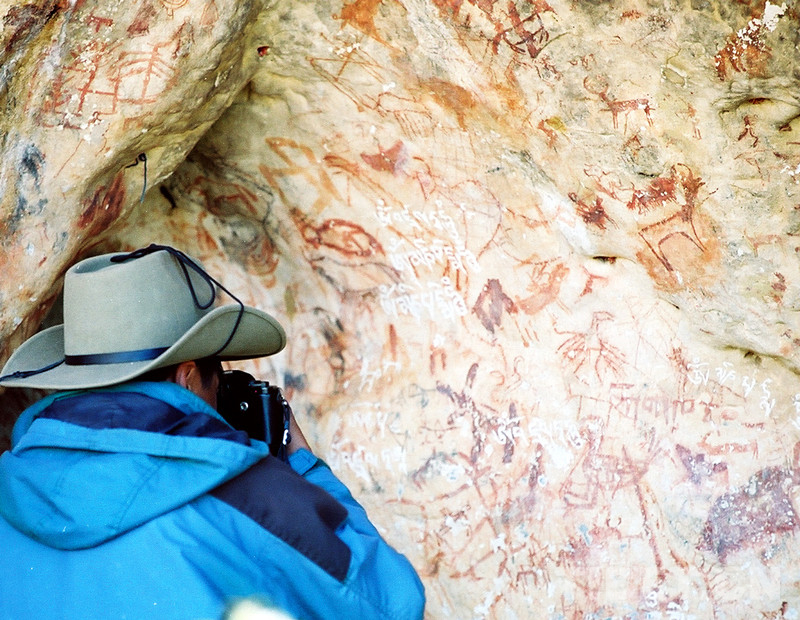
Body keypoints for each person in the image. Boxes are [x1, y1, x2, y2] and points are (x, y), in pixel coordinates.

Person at [0, 244, 425, 620]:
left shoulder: (10, 484)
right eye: (217, 381)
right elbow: (392, 603)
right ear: (187, 378)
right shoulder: (246, 492)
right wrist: (302, 468)